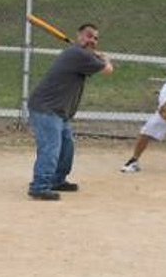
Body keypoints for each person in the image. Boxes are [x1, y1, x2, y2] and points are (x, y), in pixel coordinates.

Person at [25, 22, 112, 200]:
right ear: (79, 36)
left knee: (67, 147)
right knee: (51, 148)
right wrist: (105, 58)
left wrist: (94, 55)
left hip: (59, 111)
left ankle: (56, 180)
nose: (92, 40)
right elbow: (108, 70)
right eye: (89, 36)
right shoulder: (77, 54)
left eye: (95, 38)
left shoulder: (80, 54)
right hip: (46, 108)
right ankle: (39, 186)